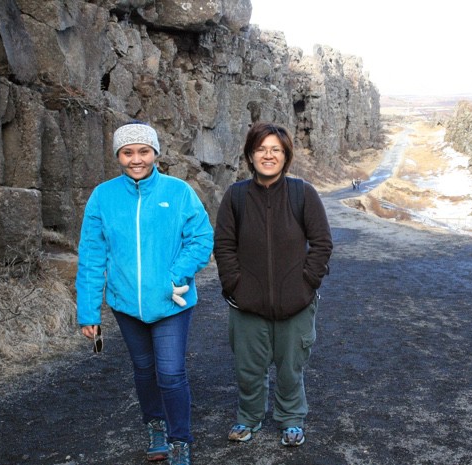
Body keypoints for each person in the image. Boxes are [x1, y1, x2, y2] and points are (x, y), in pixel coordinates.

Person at [76, 121, 214, 465]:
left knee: (170, 373)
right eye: (127, 152)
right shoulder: (102, 197)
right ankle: (156, 429)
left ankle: (180, 441)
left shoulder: (178, 192)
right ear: (118, 156)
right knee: (143, 370)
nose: (136, 159)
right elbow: (92, 256)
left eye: (143, 151)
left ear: (155, 153)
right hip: (126, 306)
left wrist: (176, 274)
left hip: (172, 302)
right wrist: (89, 312)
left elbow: (201, 239)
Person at [213, 122, 333, 447]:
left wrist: (306, 284)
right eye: (261, 149)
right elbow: (223, 244)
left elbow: (322, 243)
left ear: (286, 156)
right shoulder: (236, 196)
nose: (268, 155)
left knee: (291, 368)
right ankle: (248, 418)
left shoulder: (302, 193)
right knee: (248, 368)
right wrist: (234, 285)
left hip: (296, 304)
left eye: (275, 150)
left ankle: (291, 419)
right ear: (251, 156)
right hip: (247, 304)